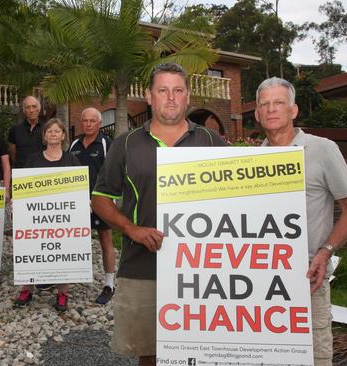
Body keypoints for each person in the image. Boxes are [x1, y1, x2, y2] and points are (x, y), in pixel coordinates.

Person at [91, 63, 226, 366]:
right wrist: (131, 229)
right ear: (150, 97)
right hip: (142, 267)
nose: (171, 98)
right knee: (149, 353)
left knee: (202, 352)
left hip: (203, 270)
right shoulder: (125, 143)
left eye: (178, 90)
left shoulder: (211, 142)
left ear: (187, 96)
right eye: (163, 90)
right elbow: (100, 198)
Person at [255, 77, 347, 366]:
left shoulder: (323, 149)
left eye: (279, 102)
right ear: (256, 114)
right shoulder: (251, 160)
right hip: (259, 284)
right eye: (264, 104)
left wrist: (326, 250)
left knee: (315, 359)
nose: (271, 109)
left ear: (294, 110)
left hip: (308, 281)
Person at [14, 118, 80, 312]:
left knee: (63, 252)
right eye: (49, 131)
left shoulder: (71, 160)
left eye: (56, 131)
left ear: (63, 135)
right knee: (33, 250)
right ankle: (27, 289)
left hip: (63, 218)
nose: (53, 134)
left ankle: (62, 293)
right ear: (44, 136)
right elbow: (23, 187)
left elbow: (79, 187)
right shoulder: (34, 160)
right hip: (37, 219)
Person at [69, 107, 116, 304]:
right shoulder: (74, 144)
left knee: (105, 238)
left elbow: (114, 172)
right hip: (77, 201)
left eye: (92, 121)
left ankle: (109, 284)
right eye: (85, 121)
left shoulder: (106, 143)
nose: (88, 124)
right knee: (74, 238)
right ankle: (65, 279)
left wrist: (107, 198)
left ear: (99, 123)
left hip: (100, 200)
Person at [7, 96, 45, 168]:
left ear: (39, 109)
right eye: (28, 107)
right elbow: (13, 155)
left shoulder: (47, 129)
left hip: (42, 172)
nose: (31, 110)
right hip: (22, 172)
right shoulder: (14, 130)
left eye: (34, 106)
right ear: (24, 110)